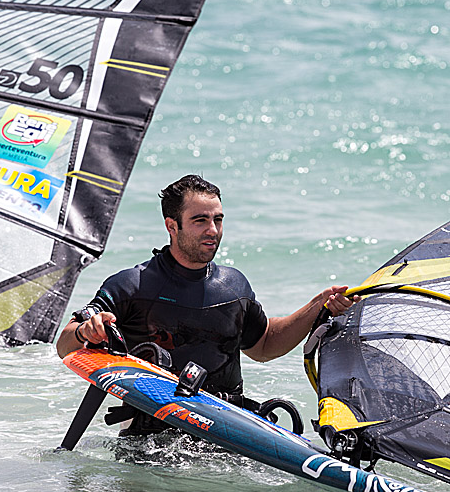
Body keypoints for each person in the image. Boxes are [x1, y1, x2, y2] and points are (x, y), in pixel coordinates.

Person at [56, 174, 359, 433]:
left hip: (225, 432)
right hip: (152, 441)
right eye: (200, 220)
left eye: (218, 219)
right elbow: (65, 344)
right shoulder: (132, 285)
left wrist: (318, 305)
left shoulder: (233, 287)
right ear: (171, 226)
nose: (212, 231)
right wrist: (86, 332)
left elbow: (264, 345)